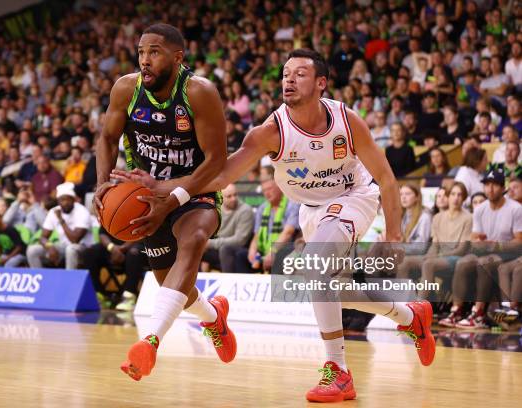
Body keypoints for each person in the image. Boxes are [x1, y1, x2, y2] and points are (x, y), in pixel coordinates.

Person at [114, 49, 435, 403]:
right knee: (328, 287)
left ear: (321, 84)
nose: (289, 80)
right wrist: (165, 188)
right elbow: (222, 177)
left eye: (299, 74)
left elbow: (387, 179)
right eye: (285, 74)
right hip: (311, 210)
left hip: (355, 196)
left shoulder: (347, 120)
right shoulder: (269, 132)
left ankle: (338, 372)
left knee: (315, 269)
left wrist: (393, 235)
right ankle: (410, 316)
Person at [93, 24, 234, 382]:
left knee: (194, 239)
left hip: (195, 187)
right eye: (141, 52)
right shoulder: (127, 89)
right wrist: (102, 183)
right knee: (172, 283)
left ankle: (149, 343)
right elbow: (107, 139)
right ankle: (212, 317)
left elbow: (217, 160)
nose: (145, 60)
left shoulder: (199, 93)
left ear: (177, 57)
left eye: (154, 52)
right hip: (145, 196)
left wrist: (174, 196)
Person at [449, 169, 522, 329]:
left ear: (503, 188)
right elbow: (474, 238)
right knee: (462, 263)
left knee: (484, 262)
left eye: (494, 185)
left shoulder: (515, 209)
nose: (490, 189)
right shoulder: (480, 209)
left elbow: (519, 242)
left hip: (509, 253)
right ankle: (457, 310)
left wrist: (498, 245)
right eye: (487, 185)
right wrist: (478, 242)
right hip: (486, 251)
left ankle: (479, 312)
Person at [221, 168, 299, 273]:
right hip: (264, 251)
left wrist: (273, 252)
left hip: (284, 250)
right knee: (240, 255)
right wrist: (252, 251)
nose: (267, 193)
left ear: (280, 188)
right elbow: (257, 235)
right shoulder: (262, 208)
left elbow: (288, 233)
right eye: (264, 190)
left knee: (283, 256)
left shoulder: (292, 204)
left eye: (270, 189)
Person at [27, 182, 92, 269]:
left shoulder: (82, 211)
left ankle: (70, 280)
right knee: (32, 250)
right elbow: (42, 237)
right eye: (62, 200)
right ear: (58, 201)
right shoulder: (53, 212)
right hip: (62, 246)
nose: (65, 203)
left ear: (73, 199)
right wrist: (50, 247)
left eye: (67, 199)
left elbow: (75, 240)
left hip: (83, 248)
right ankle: (41, 279)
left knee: (71, 249)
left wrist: (61, 220)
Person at [201, 184, 254, 272]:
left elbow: (239, 240)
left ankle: (227, 282)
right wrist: (204, 244)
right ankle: (195, 281)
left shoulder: (245, 210)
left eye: (235, 195)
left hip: (238, 249)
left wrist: (209, 243)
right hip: (218, 248)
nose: (233, 199)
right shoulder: (216, 210)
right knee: (196, 247)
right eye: (229, 196)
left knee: (225, 249)